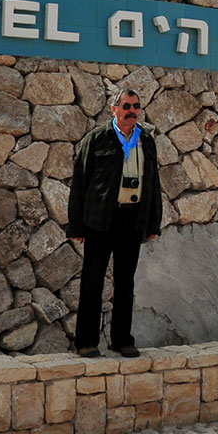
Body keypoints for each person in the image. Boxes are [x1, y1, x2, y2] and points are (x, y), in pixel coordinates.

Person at [66, 89, 162, 358]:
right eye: (126, 106)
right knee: (92, 282)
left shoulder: (146, 140)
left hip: (132, 220)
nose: (132, 110)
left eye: (136, 106)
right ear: (114, 109)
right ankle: (86, 342)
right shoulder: (97, 139)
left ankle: (122, 340)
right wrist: (76, 226)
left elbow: (153, 183)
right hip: (100, 220)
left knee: (125, 283)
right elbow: (80, 183)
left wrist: (153, 223)